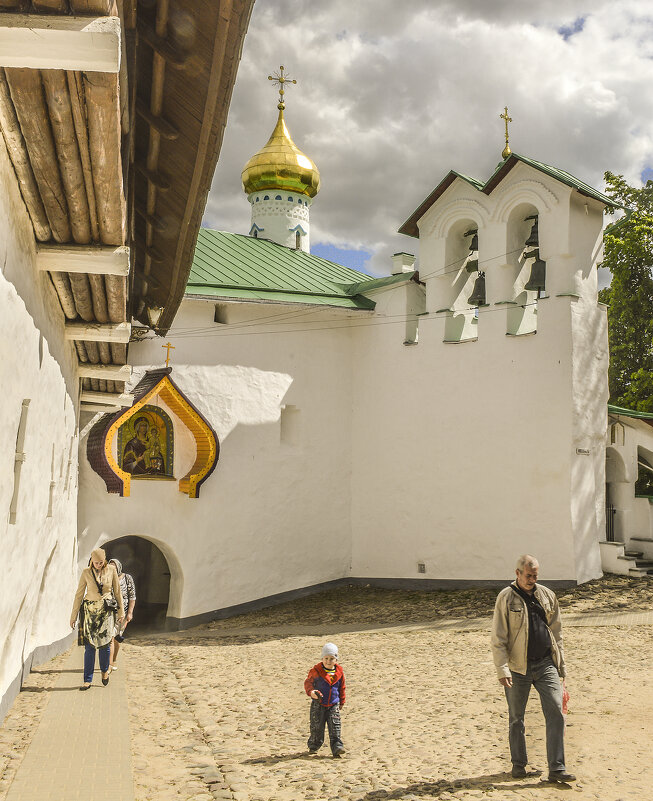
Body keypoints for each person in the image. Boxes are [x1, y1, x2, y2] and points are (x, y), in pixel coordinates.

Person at [491, 554, 575, 783]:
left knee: (556, 712)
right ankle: (519, 764)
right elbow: (498, 637)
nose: (532, 579)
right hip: (518, 668)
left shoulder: (547, 595)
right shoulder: (506, 598)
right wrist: (502, 669)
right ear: (517, 573)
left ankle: (557, 768)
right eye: (528, 575)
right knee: (516, 717)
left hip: (546, 663)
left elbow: (557, 633)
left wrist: (561, 667)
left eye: (535, 575)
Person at [70, 548, 124, 690]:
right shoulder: (86, 573)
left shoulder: (111, 570)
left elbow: (117, 593)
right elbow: (79, 595)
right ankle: (87, 680)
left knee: (105, 645)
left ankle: (105, 671)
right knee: (90, 647)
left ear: (105, 560)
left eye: (101, 562)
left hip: (106, 611)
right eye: (95, 563)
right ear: (91, 561)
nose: (98, 565)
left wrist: (121, 612)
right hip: (89, 611)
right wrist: (73, 616)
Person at [304, 642, 346, 757]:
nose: (328, 661)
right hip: (319, 704)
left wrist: (342, 700)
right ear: (322, 658)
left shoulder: (339, 672)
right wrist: (312, 692)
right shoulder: (316, 671)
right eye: (326, 658)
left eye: (332, 658)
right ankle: (314, 745)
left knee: (335, 726)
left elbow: (342, 687)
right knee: (317, 726)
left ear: (336, 659)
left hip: (333, 704)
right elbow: (308, 683)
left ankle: (337, 746)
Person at [108, 558, 136, 671]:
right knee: (110, 637)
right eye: (110, 566)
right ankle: (108, 664)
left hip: (122, 613)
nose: (112, 569)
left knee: (117, 638)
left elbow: (132, 596)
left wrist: (130, 613)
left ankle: (114, 659)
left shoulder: (127, 578)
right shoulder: (107, 578)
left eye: (114, 567)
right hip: (109, 612)